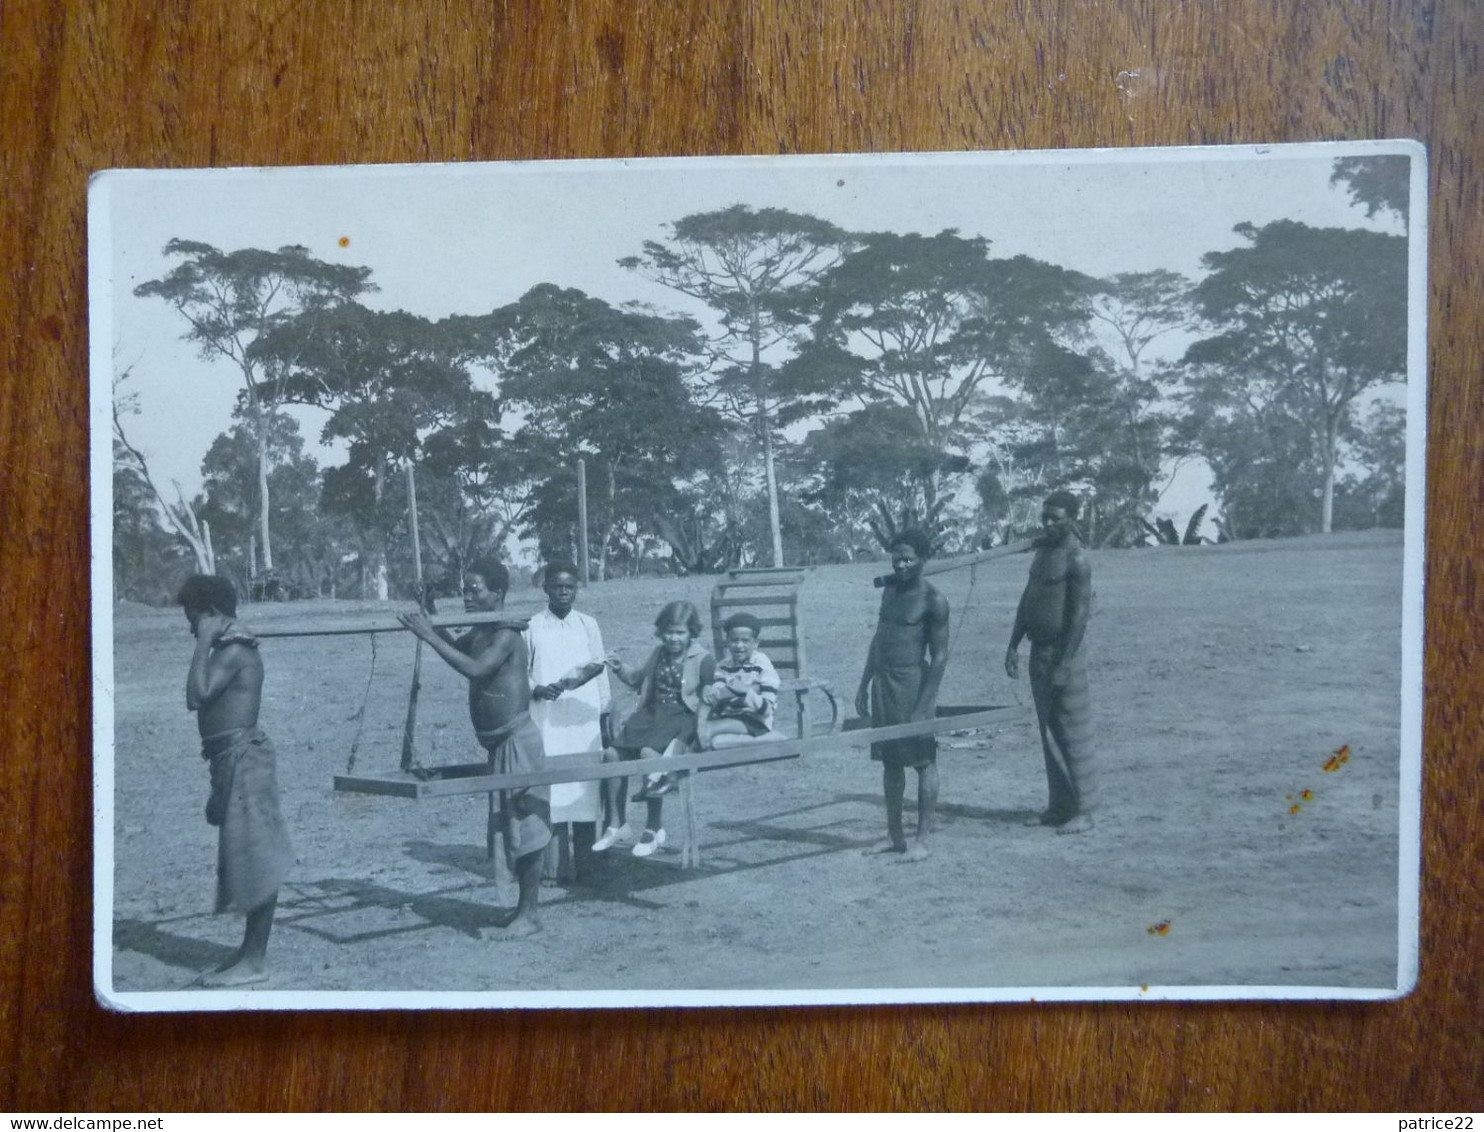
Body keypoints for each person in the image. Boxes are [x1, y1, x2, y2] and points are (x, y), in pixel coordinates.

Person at [398, 557, 549, 938]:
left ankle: (529, 914)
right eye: (464, 589)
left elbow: (476, 670)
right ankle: (522, 910)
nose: (467, 595)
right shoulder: (480, 633)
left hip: (519, 742)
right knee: (510, 829)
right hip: (500, 747)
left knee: (526, 830)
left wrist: (428, 635)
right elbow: (455, 648)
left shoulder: (505, 634)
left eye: (475, 589)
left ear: (497, 594)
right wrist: (429, 614)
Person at [178, 574, 293, 987]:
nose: (190, 627)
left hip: (245, 759)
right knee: (243, 857)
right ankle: (248, 953)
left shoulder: (234, 650)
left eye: (193, 620)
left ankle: (256, 961)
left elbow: (196, 695)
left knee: (256, 856)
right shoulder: (228, 646)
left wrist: (202, 641)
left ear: (209, 614)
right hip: (228, 761)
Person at [1005, 490, 1097, 834]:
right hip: (1037, 652)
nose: (1048, 523)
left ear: (1072, 517)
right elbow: (1027, 599)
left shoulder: (1077, 559)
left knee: (1073, 731)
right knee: (1048, 732)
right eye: (1045, 517)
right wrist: (1013, 644)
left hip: (1064, 655)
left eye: (1056, 518)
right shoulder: (1043, 553)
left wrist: (1064, 664)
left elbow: (1079, 617)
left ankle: (1085, 811)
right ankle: (1059, 806)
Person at [855, 530, 950, 862]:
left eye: (909, 558)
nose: (902, 564)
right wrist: (864, 682)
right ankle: (895, 836)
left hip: (913, 686)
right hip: (884, 684)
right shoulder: (890, 591)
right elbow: (878, 640)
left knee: (923, 762)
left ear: (923, 560)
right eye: (897, 558)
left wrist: (924, 705)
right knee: (890, 762)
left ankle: (921, 840)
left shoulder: (933, 600)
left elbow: (939, 656)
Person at [595, 601, 715, 858]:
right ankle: (617, 824)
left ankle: (653, 826)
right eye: (669, 632)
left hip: (683, 718)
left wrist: (704, 727)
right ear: (662, 632)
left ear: (691, 632)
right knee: (612, 756)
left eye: (680, 633)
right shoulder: (658, 654)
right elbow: (637, 679)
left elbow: (709, 695)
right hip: (651, 716)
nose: (673, 638)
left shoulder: (702, 658)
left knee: (650, 754)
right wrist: (619, 668)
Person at [523, 562, 610, 885]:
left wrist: (604, 712)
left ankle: (588, 865)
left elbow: (600, 667)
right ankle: (555, 868)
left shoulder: (588, 625)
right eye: (557, 586)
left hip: (583, 718)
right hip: (547, 717)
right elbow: (522, 672)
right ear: (545, 588)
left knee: (586, 789)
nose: (563, 592)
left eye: (569, 587)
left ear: (577, 589)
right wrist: (537, 688)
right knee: (554, 790)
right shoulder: (531, 626)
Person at [698, 612, 787, 749]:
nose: (739, 645)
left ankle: (689, 758)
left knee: (708, 728)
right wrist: (710, 690)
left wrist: (746, 692)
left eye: (745, 641)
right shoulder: (723, 666)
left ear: (756, 643)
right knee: (698, 723)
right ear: (727, 641)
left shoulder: (762, 665)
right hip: (730, 716)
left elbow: (767, 709)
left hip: (756, 720)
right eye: (734, 640)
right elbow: (718, 691)